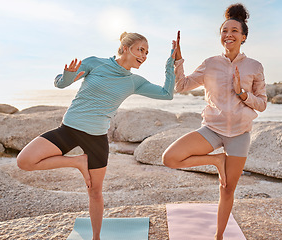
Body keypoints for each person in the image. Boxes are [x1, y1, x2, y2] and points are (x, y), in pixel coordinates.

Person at [17, 32, 179, 240]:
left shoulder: (134, 81)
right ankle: (77, 162)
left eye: (147, 53)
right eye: (141, 49)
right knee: (25, 161)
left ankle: (96, 237)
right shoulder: (96, 63)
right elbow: (60, 83)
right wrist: (68, 75)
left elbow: (167, 93)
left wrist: (170, 63)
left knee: (95, 192)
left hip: (96, 139)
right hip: (69, 129)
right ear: (125, 47)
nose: (144, 56)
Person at [162, 4, 267, 240]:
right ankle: (216, 160)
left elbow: (261, 103)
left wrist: (242, 93)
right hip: (212, 129)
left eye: (234, 31)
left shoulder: (254, 67)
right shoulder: (210, 63)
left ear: (243, 37)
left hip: (240, 134)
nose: (228, 35)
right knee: (169, 158)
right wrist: (178, 59)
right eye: (224, 31)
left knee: (227, 188)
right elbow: (182, 86)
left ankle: (219, 236)